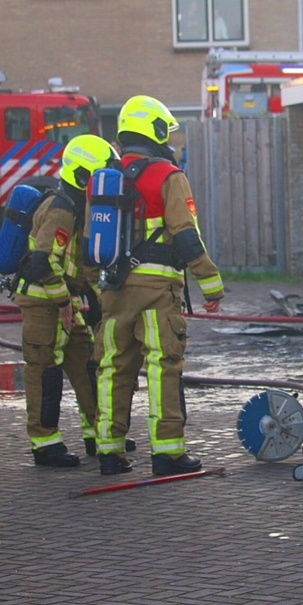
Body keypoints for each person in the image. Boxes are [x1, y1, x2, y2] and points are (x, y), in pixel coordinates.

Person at [93, 95, 224, 476]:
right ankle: (167, 453)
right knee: (162, 366)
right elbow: (186, 236)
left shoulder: (105, 177)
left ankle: (109, 451)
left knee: (113, 367)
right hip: (156, 290)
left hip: (113, 289)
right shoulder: (168, 176)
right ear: (152, 131)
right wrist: (211, 285)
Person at [13, 134, 116, 467]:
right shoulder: (60, 210)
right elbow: (43, 262)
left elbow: (82, 263)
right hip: (43, 302)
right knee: (44, 371)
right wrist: (62, 302)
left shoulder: (77, 208)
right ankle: (45, 443)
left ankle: (95, 433)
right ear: (84, 176)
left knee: (87, 363)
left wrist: (99, 300)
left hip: (63, 301)